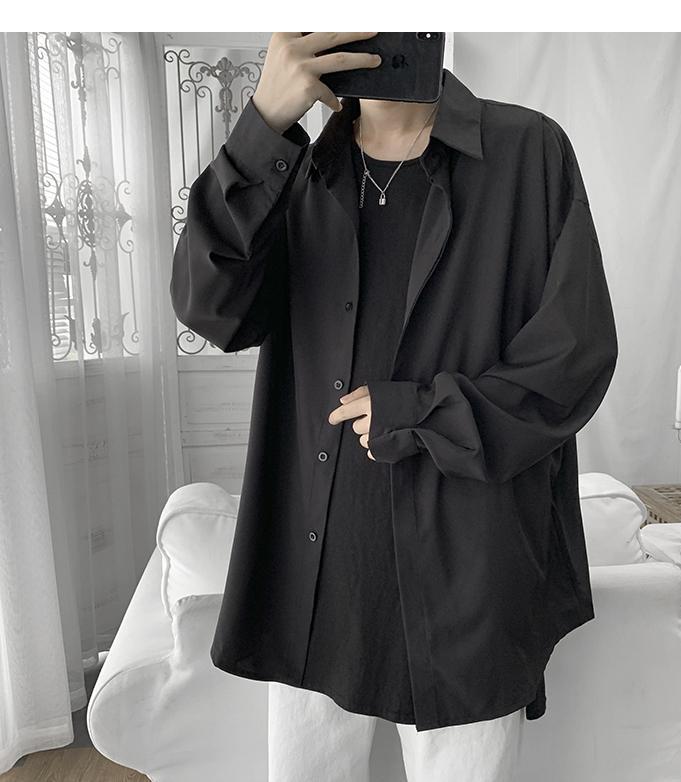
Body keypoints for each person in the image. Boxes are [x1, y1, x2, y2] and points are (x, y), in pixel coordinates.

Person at [170, 31, 618, 782]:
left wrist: (421, 412)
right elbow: (210, 310)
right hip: (315, 581)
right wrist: (261, 127)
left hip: (469, 580)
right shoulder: (290, 169)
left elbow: (574, 357)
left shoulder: (527, 152)